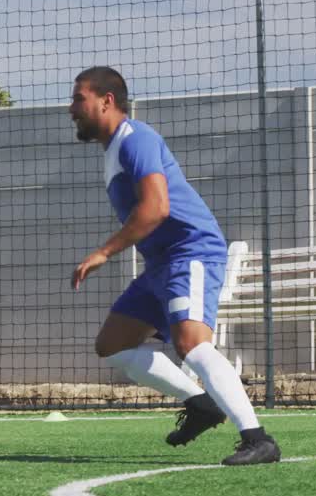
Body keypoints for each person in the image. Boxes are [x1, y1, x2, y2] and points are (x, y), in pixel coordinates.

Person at [69, 66, 281, 466]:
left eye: (79, 99)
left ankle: (258, 439)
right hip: (160, 264)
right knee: (112, 344)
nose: (72, 108)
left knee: (192, 345)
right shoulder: (113, 151)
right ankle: (201, 404)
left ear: (106, 101)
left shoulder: (136, 138)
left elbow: (157, 208)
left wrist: (104, 252)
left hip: (191, 251)